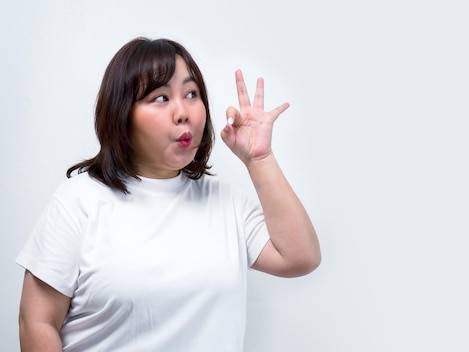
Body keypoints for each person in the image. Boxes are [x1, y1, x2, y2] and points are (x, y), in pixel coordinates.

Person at [15, 37, 321, 351]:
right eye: (161, 98)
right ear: (122, 114)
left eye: (191, 94)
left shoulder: (227, 203)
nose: (182, 112)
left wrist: (259, 159)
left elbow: (301, 258)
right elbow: (37, 321)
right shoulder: (78, 202)